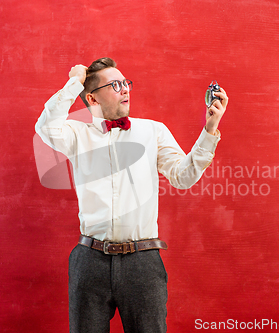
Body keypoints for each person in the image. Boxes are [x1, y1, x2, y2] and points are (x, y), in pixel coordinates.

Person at [35, 57, 228, 333]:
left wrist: (210, 130)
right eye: (115, 85)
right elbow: (45, 127)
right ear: (92, 97)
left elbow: (183, 177)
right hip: (89, 261)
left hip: (143, 262)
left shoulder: (153, 131)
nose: (125, 89)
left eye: (126, 83)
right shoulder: (76, 133)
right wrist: (73, 83)